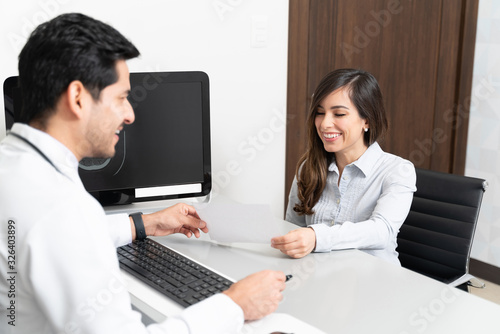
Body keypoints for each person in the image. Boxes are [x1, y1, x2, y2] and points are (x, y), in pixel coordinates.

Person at [0, 13, 285, 334]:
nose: (130, 114)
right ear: (78, 98)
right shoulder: (63, 209)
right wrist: (235, 304)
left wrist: (144, 223)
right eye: (121, 98)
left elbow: (54, 240)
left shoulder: (13, 168)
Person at [271, 69, 416, 265]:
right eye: (320, 113)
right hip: (316, 276)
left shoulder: (398, 170)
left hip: (374, 284)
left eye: (339, 113)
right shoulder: (309, 167)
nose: (324, 124)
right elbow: (293, 226)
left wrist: (316, 237)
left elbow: (382, 231)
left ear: (367, 120)